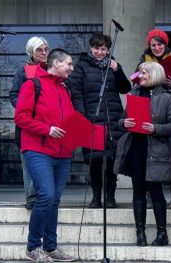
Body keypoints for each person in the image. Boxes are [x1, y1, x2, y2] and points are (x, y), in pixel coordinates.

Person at [14, 48, 77, 263]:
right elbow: (20, 118)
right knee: (46, 196)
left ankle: (50, 247)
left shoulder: (65, 89)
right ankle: (33, 247)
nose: (71, 67)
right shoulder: (33, 85)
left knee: (55, 200)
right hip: (38, 150)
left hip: (63, 153)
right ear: (56, 63)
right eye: (68, 63)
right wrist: (47, 129)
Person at [114, 62, 171, 247]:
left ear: (155, 74)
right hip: (136, 149)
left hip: (156, 151)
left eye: (144, 73)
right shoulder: (134, 93)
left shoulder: (167, 97)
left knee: (156, 192)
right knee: (138, 191)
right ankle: (140, 233)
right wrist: (124, 123)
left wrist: (156, 128)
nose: (140, 76)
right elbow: (122, 118)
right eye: (140, 73)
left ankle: (162, 234)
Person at [69, 32, 131, 209]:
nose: (100, 52)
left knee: (111, 160)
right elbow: (76, 92)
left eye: (103, 49)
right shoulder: (81, 66)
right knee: (95, 160)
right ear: (91, 48)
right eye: (97, 48)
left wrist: (118, 71)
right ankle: (96, 197)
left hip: (112, 119)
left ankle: (110, 197)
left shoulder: (113, 65)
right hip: (92, 119)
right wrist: (82, 116)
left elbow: (125, 88)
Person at [140, 28, 171, 209]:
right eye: (153, 44)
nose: (156, 47)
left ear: (165, 44)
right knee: (147, 155)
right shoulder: (142, 62)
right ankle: (149, 194)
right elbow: (136, 84)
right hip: (148, 112)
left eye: (160, 44)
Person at [9, 36, 49, 210]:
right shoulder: (23, 72)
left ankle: (46, 195)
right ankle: (31, 197)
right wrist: (27, 107)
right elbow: (13, 95)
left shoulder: (52, 69)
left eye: (46, 49)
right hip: (28, 124)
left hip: (49, 123)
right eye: (39, 50)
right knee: (29, 161)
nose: (44, 53)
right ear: (31, 52)